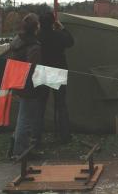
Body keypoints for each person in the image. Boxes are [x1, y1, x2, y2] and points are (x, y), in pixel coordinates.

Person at [38, 12, 74, 144]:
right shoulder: (58, 35)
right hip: (58, 71)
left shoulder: (37, 36)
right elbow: (70, 41)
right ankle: (65, 136)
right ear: (53, 22)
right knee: (61, 105)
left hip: (41, 71)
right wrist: (62, 28)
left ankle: (36, 137)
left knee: (40, 105)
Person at [10, 13, 41, 157]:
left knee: (23, 116)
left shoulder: (17, 41)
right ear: (35, 28)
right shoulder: (33, 45)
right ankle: (21, 151)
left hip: (18, 82)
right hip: (28, 86)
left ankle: (20, 146)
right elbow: (32, 68)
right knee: (26, 119)